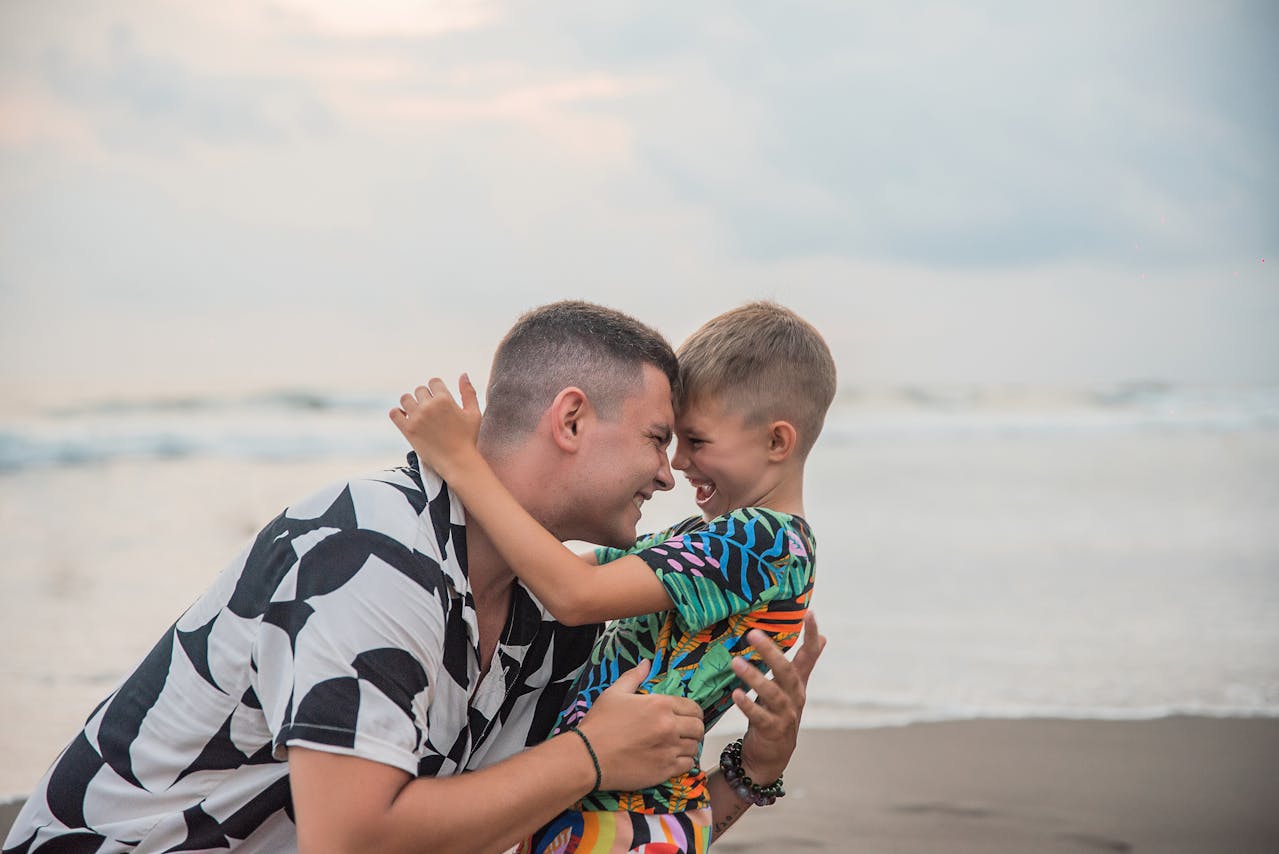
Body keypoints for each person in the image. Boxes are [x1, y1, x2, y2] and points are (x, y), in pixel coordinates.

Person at [3, 301, 824, 854]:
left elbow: (591, 822)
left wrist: (757, 763)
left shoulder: (556, 616)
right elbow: (352, 841)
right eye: (655, 439)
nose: (669, 474)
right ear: (570, 420)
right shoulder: (370, 552)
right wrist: (585, 756)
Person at [392, 300, 836, 853]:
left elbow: (575, 595)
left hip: (627, 818)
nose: (678, 466)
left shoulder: (760, 542)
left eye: (696, 442)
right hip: (631, 811)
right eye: (668, 441)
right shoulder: (713, 544)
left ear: (777, 442)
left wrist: (464, 463)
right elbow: (560, 572)